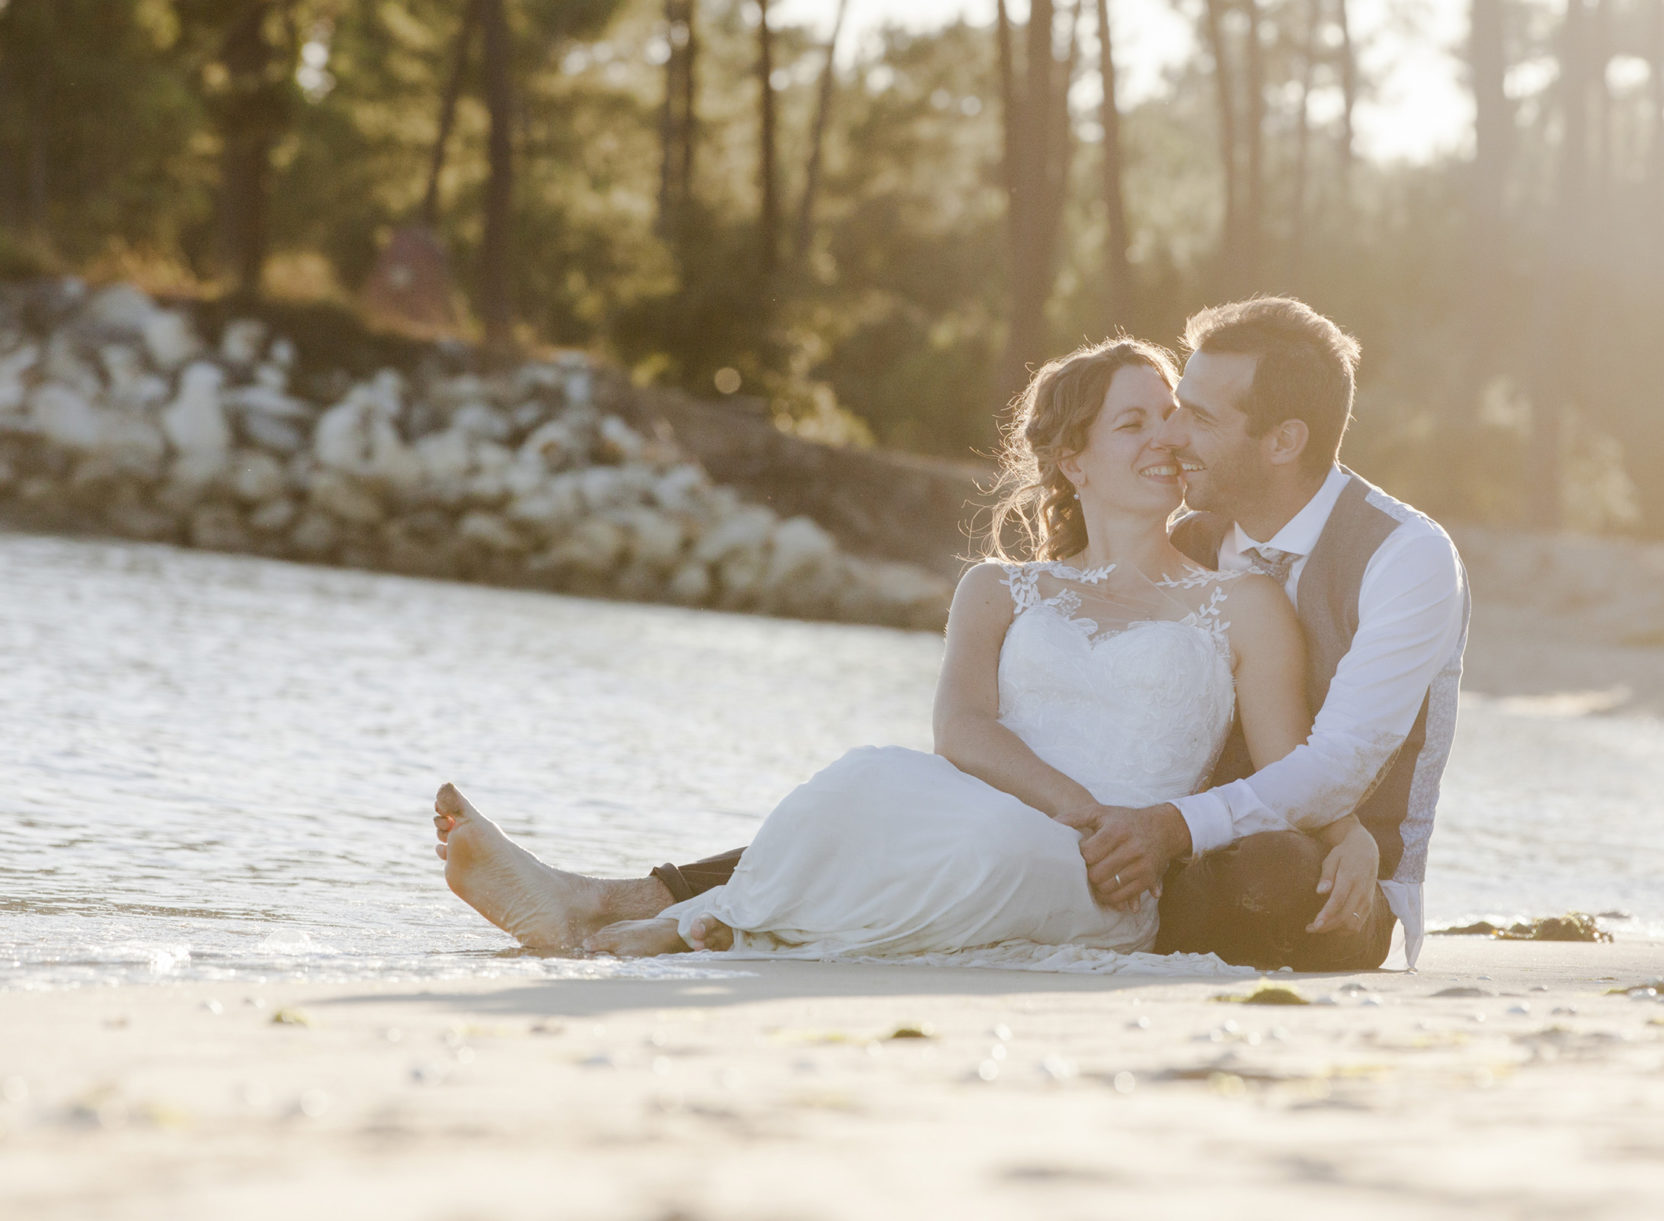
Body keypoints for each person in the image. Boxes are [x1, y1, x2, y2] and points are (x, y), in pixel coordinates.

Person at [437, 296, 1470, 971]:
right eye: (1155, 419)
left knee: (1248, 878)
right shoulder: (1197, 525)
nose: (1174, 440)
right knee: (883, 792)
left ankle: (668, 927)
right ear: (1076, 457)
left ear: (1280, 438)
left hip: (1274, 866)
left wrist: (1342, 837)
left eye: (1192, 417)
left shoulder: (1400, 558)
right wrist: (1105, 816)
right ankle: (624, 907)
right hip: (1131, 832)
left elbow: (1329, 759)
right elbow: (975, 729)